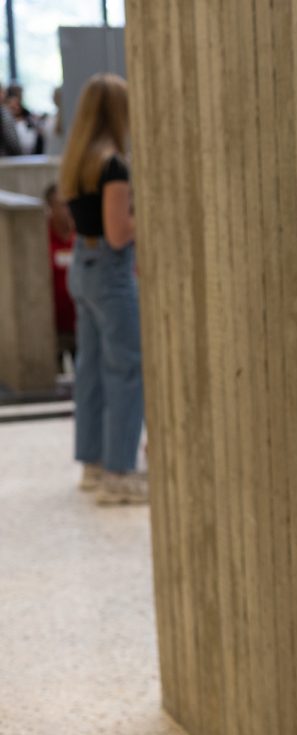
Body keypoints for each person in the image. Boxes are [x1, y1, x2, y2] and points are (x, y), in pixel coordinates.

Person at [58, 73, 146, 505]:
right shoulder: (112, 164)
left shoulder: (76, 161)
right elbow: (118, 232)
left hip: (82, 265)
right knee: (126, 370)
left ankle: (94, 464)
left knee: (91, 370)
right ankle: (119, 472)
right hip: (109, 271)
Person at [44, 182, 77, 370]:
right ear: (50, 207)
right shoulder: (42, 238)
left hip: (80, 324)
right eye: (62, 205)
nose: (67, 210)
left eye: (69, 204)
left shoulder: (81, 236)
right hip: (54, 328)